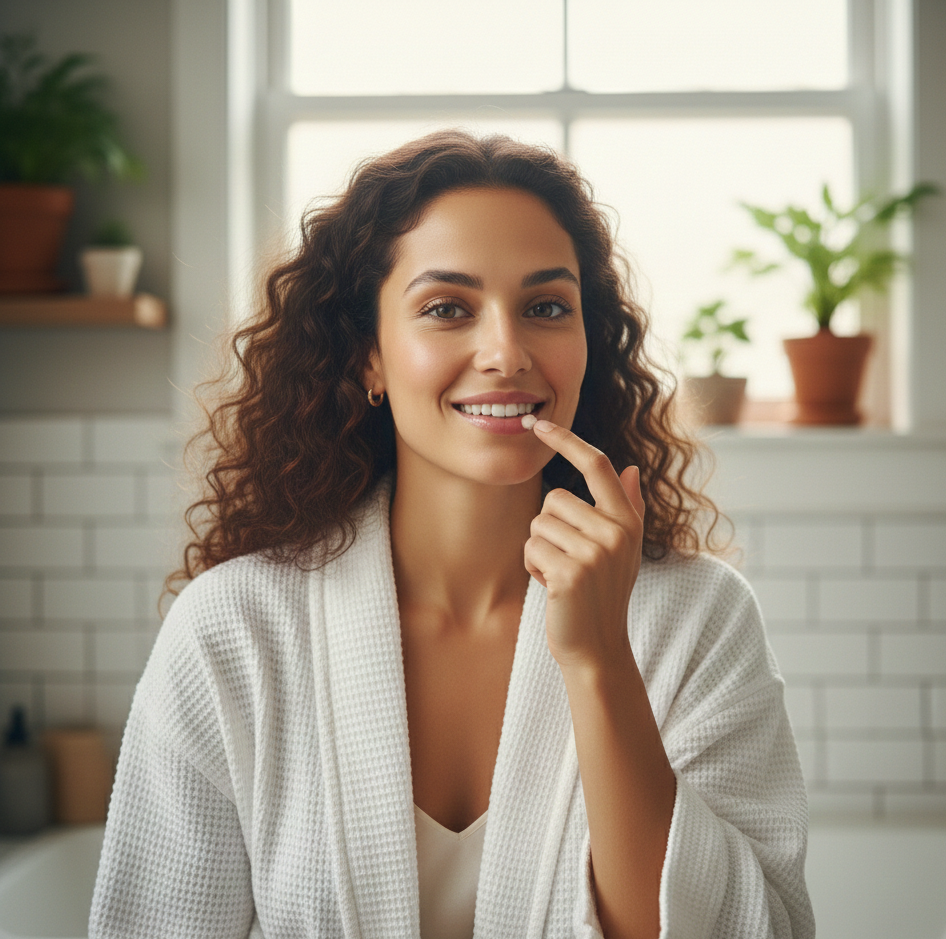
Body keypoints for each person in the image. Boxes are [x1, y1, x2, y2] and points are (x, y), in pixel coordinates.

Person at [89, 130, 814, 939]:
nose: (505, 352)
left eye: (546, 307)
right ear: (368, 356)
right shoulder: (233, 628)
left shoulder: (700, 617)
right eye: (446, 309)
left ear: (589, 342)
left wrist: (601, 660)